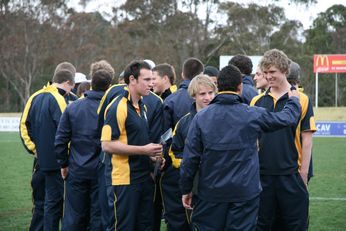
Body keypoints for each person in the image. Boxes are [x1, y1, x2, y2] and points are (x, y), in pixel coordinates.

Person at [179, 64, 301, 231]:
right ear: (240, 87)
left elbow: (190, 159)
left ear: (218, 87)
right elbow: (287, 118)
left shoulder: (201, 117)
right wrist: (293, 100)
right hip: (244, 193)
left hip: (212, 193)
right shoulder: (251, 113)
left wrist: (186, 189)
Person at [251, 49, 316, 231]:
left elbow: (307, 139)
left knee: (295, 226)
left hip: (291, 176)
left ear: (285, 71)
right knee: (262, 226)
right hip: (262, 177)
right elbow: (253, 140)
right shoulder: (256, 101)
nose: (268, 76)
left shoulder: (302, 99)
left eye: (273, 72)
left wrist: (303, 175)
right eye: (266, 72)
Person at [100, 60, 163, 231]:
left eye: (152, 79)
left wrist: (150, 156)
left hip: (142, 178)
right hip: (123, 181)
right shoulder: (118, 106)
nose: (152, 83)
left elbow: (133, 141)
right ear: (132, 80)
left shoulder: (142, 106)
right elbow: (106, 145)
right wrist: (144, 150)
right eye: (147, 80)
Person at [55, 69, 112, 230]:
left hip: (78, 168)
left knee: (74, 216)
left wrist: (63, 164)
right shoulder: (112, 108)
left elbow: (60, 140)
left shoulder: (73, 107)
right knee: (98, 216)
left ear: (91, 84)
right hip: (100, 170)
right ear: (109, 86)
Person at [20, 64, 75, 231]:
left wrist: (36, 150)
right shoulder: (59, 100)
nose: (72, 89)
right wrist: (65, 158)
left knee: (40, 205)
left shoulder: (34, 96)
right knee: (56, 205)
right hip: (57, 165)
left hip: (39, 163)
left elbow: (24, 127)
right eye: (72, 85)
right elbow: (67, 131)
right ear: (67, 82)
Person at [166, 74, 217, 230]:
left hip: (218, 184)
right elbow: (174, 152)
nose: (207, 97)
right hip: (193, 184)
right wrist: (192, 164)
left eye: (210, 93)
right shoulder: (184, 123)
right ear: (194, 96)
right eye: (202, 94)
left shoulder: (221, 118)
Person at [150, 62, 177, 230]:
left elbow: (167, 135)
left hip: (170, 166)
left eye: (154, 78)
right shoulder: (163, 98)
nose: (151, 83)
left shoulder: (168, 101)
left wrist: (162, 159)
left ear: (165, 78)